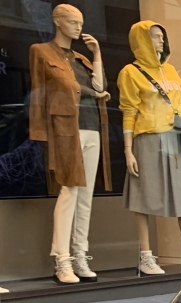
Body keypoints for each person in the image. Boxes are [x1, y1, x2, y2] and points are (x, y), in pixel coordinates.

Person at [29, 4, 112, 285]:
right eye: (73, 21)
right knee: (69, 192)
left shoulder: (80, 58)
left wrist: (97, 55)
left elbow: (100, 89)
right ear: (57, 21)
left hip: (92, 127)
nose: (79, 27)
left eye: (81, 22)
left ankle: (80, 254)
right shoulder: (41, 52)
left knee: (85, 194)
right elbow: (38, 95)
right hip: (66, 129)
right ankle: (61, 259)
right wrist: (39, 134)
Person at [118, 20, 181, 275]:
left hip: (173, 138)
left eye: (162, 37)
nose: (161, 41)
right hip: (147, 137)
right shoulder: (130, 72)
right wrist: (127, 149)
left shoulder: (172, 71)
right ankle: (146, 256)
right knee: (144, 195)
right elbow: (128, 111)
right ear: (142, 40)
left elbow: (179, 109)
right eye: (155, 36)